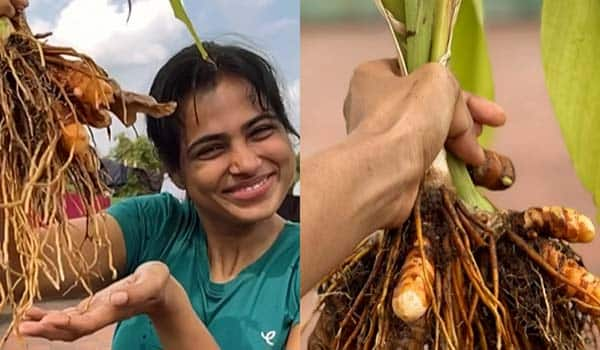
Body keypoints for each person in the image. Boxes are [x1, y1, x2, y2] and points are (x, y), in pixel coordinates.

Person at [16, 41, 301, 349]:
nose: (246, 163)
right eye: (212, 149)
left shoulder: (312, 264)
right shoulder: (154, 227)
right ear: (176, 171)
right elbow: (16, 264)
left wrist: (167, 304)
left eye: (260, 131)